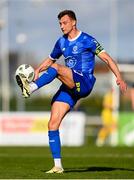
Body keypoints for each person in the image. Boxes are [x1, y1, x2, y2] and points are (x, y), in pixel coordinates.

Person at [16, 10, 127, 173]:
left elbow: (107, 59)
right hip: (70, 85)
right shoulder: (61, 42)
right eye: (60, 23)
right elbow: (50, 59)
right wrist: (37, 71)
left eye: (64, 23)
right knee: (52, 123)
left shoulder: (87, 40)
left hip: (85, 82)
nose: (62, 26)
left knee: (56, 68)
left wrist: (119, 77)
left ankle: (30, 88)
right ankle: (58, 166)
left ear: (73, 22)